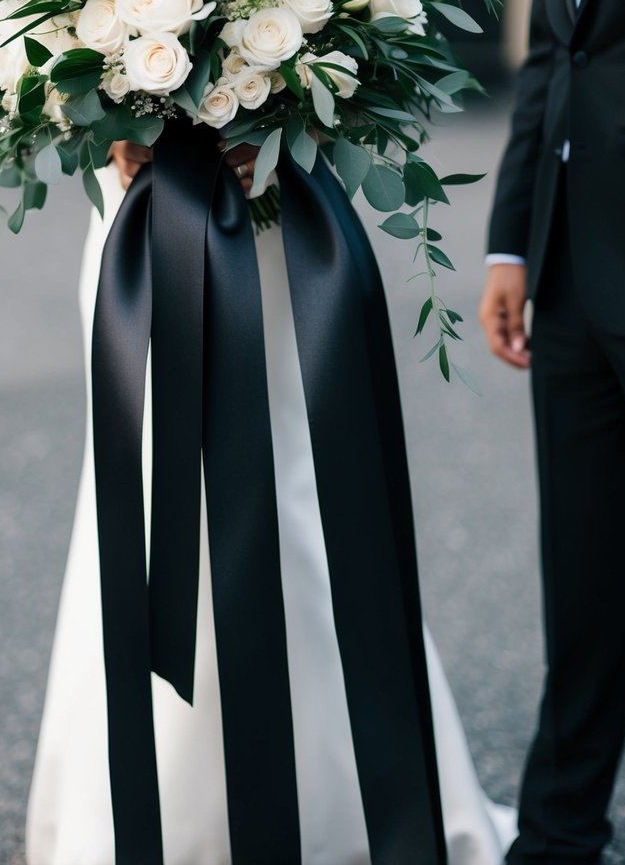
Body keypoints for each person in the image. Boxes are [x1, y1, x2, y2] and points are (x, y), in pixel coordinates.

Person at [26, 127, 514, 865]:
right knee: (144, 480)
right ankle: (144, 804)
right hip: (140, 209)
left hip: (272, 206)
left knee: (299, 475)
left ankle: (348, 803)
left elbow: (368, 49)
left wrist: (300, 122)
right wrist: (103, 128)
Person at [479, 0, 625, 861]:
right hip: (571, 271)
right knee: (581, 576)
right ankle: (560, 832)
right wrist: (506, 242)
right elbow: (551, 51)